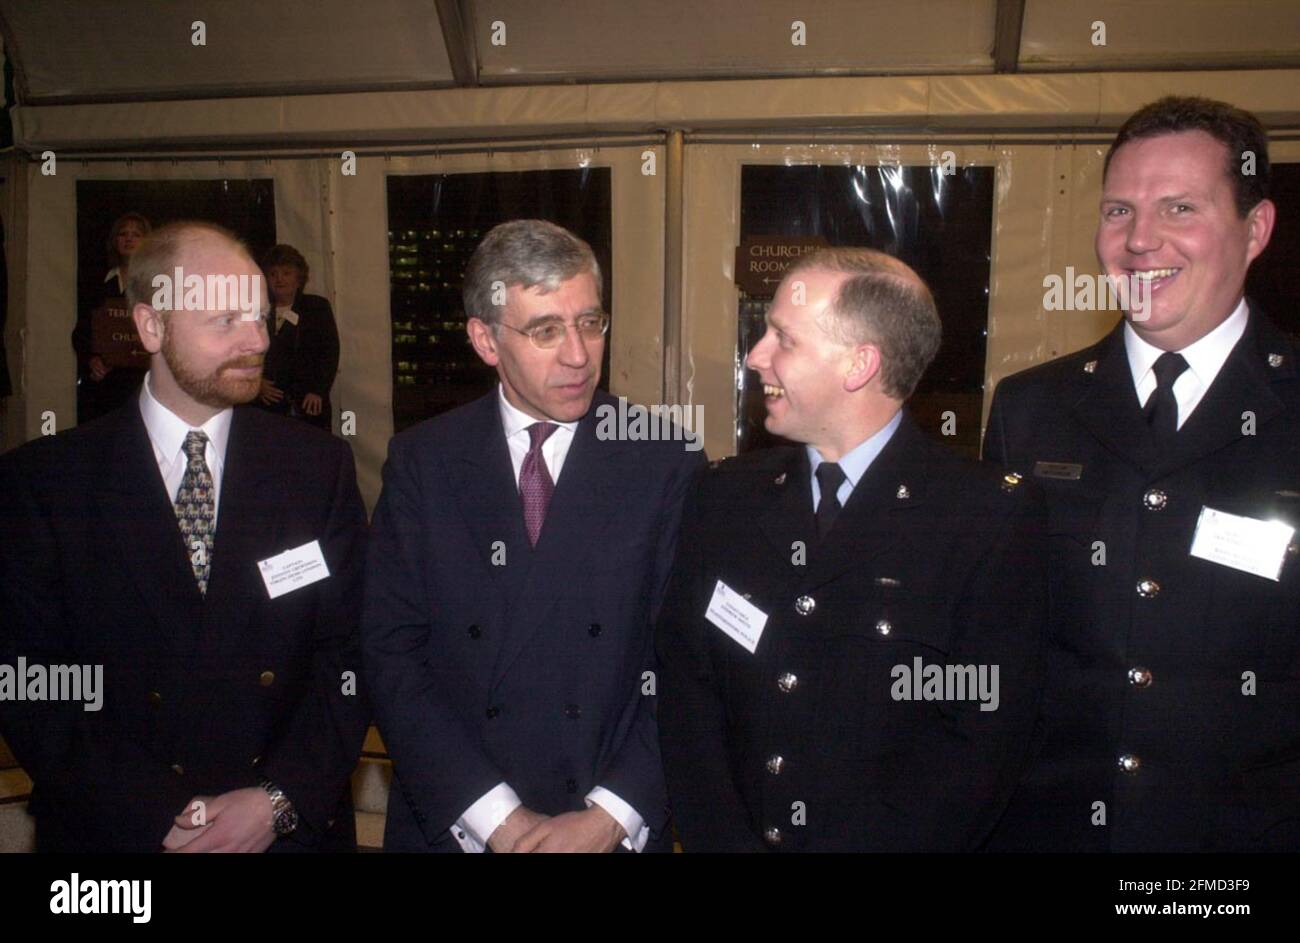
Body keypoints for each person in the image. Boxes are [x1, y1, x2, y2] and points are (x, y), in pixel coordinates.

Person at [984, 97, 1297, 852]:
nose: (1140, 240)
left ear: (1255, 229)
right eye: (1119, 210)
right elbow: (993, 641)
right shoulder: (1031, 408)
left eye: (1179, 207)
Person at [656, 248, 1047, 852]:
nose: (755, 356)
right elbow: (688, 698)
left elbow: (982, 744)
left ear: (859, 364)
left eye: (783, 338)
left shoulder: (984, 518)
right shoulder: (725, 497)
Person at [0, 221, 368, 852]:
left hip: (285, 832)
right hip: (117, 839)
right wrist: (163, 816)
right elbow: (31, 681)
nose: (257, 339)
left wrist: (278, 799)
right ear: (150, 326)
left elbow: (351, 657)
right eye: (225, 320)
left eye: (257, 316)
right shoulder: (48, 483)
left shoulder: (316, 468)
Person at [363, 219, 703, 853]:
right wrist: (496, 820)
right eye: (545, 330)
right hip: (458, 821)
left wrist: (611, 815)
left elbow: (688, 665)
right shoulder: (424, 461)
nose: (578, 354)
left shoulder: (664, 458)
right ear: (485, 340)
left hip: (607, 821)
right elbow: (390, 654)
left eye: (591, 322)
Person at [72, 212, 151, 423]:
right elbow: (81, 332)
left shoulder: (157, 285)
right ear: (115, 241)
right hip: (105, 386)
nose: (129, 239)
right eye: (123, 234)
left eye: (136, 234)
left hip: (144, 384)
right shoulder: (99, 284)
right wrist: (91, 361)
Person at [257, 244, 340, 432]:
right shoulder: (256, 309)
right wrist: (256, 384)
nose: (279, 279)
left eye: (286, 273)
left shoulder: (316, 307)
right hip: (266, 404)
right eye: (273, 274)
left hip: (307, 402)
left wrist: (318, 390)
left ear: (298, 278)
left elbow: (330, 352)